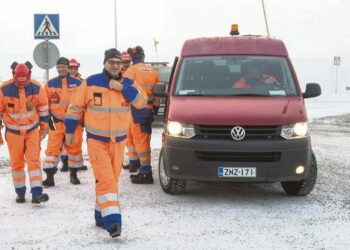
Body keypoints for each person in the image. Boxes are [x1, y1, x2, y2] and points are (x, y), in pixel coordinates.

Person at [64, 48, 146, 238]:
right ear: (104, 63)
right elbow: (75, 106)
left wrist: (124, 89)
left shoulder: (129, 83)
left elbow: (142, 102)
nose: (115, 65)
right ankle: (113, 223)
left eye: (118, 62)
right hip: (96, 141)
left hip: (119, 142)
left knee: (110, 180)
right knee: (107, 180)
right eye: (111, 62)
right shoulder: (91, 83)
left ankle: (100, 215)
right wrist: (69, 130)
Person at [0, 62, 49, 204]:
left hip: (31, 131)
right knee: (17, 164)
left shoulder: (37, 88)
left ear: (29, 76)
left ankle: (37, 193)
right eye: (19, 82)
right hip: (13, 133)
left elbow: (43, 108)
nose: (22, 85)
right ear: (13, 76)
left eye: (24, 82)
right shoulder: (4, 89)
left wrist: (43, 127)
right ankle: (20, 192)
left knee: (34, 161)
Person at [42, 57, 84, 186]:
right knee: (52, 149)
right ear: (56, 68)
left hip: (74, 123)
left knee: (74, 148)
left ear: (68, 67)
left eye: (64, 66)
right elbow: (44, 103)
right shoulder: (50, 84)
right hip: (57, 122)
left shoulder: (79, 83)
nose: (61, 69)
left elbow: (84, 102)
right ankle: (50, 177)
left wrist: (83, 120)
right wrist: (47, 119)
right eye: (59, 66)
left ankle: (74, 175)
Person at [123, 46, 160, 184]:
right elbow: (157, 94)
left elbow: (125, 92)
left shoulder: (130, 71)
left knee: (140, 141)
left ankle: (146, 172)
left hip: (136, 110)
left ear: (132, 58)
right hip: (148, 109)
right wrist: (155, 109)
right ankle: (143, 168)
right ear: (143, 56)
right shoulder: (153, 71)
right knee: (144, 140)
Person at [60, 58, 87, 172]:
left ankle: (77, 164)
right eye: (71, 68)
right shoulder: (62, 82)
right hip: (62, 118)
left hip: (77, 119)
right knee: (64, 143)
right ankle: (65, 162)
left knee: (77, 142)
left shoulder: (82, 82)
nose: (73, 70)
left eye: (75, 68)